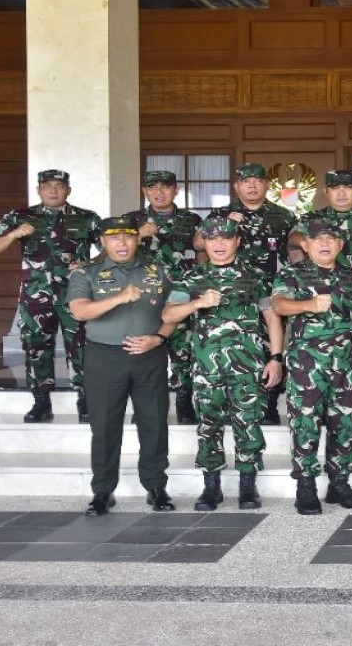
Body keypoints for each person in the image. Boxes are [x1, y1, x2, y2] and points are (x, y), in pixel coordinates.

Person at [166, 216, 285, 512]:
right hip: (207, 368)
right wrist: (197, 303)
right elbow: (168, 315)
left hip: (248, 366)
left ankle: (248, 485)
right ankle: (211, 487)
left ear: (238, 241)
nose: (219, 243)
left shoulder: (256, 276)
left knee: (248, 423)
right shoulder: (191, 278)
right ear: (204, 242)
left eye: (226, 237)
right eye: (212, 238)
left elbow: (272, 318)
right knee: (208, 425)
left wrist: (276, 358)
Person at [272, 217, 352, 515]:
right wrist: (307, 305)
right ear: (306, 245)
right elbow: (279, 305)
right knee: (305, 424)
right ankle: (306, 487)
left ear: (340, 245)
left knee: (344, 424)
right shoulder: (292, 274)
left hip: (346, 365)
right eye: (318, 239)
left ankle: (339, 484)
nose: (324, 243)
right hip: (306, 366)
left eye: (331, 239)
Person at [66, 216, 175, 516]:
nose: (122, 243)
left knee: (154, 423)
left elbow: (174, 312)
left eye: (128, 236)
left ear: (138, 239)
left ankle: (156, 487)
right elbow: (80, 312)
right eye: (114, 237)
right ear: (103, 241)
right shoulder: (85, 273)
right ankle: (103, 491)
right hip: (104, 358)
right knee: (104, 426)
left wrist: (159, 338)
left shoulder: (158, 271)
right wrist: (119, 297)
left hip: (149, 356)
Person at [0, 169, 101, 424]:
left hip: (76, 295)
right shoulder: (20, 217)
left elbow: (110, 250)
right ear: (39, 190)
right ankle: (41, 402)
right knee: (36, 346)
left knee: (81, 346)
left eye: (59, 185)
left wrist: (89, 264)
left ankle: (85, 400)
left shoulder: (87, 218)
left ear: (68, 190)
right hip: (35, 295)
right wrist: (13, 234)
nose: (53, 190)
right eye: (47, 186)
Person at [289, 169, 352, 427]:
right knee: (322, 350)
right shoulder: (312, 219)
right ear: (326, 192)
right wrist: (305, 247)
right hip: (320, 298)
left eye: (348, 187)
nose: (342, 193)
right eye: (335, 188)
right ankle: (324, 403)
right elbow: (293, 241)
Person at [199, 162, 297, 426]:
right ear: (237, 186)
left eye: (257, 180)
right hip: (229, 292)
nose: (252, 185)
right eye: (246, 181)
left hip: (270, 291)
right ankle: (228, 403)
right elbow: (198, 243)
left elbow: (295, 251)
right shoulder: (221, 213)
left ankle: (269, 403)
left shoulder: (284, 216)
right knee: (231, 347)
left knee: (272, 346)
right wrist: (228, 223)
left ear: (266, 185)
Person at [124, 169, 202, 424]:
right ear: (145, 191)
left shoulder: (191, 219)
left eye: (165, 186)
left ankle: (184, 401)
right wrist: (137, 235)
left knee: (183, 350)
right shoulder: (130, 220)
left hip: (181, 294)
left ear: (175, 190)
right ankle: (144, 405)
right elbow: (115, 251)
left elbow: (203, 252)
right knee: (143, 350)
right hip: (143, 295)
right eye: (152, 187)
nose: (159, 192)